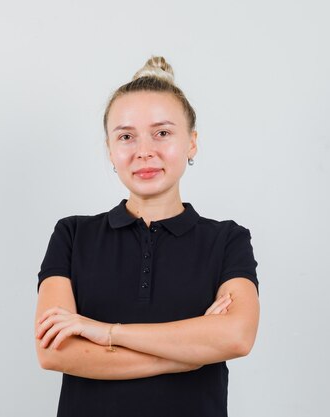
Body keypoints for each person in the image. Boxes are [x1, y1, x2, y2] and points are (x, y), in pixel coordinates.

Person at [34, 56, 260, 417]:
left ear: (192, 143)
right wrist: (186, 356)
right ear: (110, 150)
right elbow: (54, 352)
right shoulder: (72, 235)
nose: (144, 151)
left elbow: (236, 337)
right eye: (126, 136)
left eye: (163, 133)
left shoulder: (227, 240)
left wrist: (103, 331)